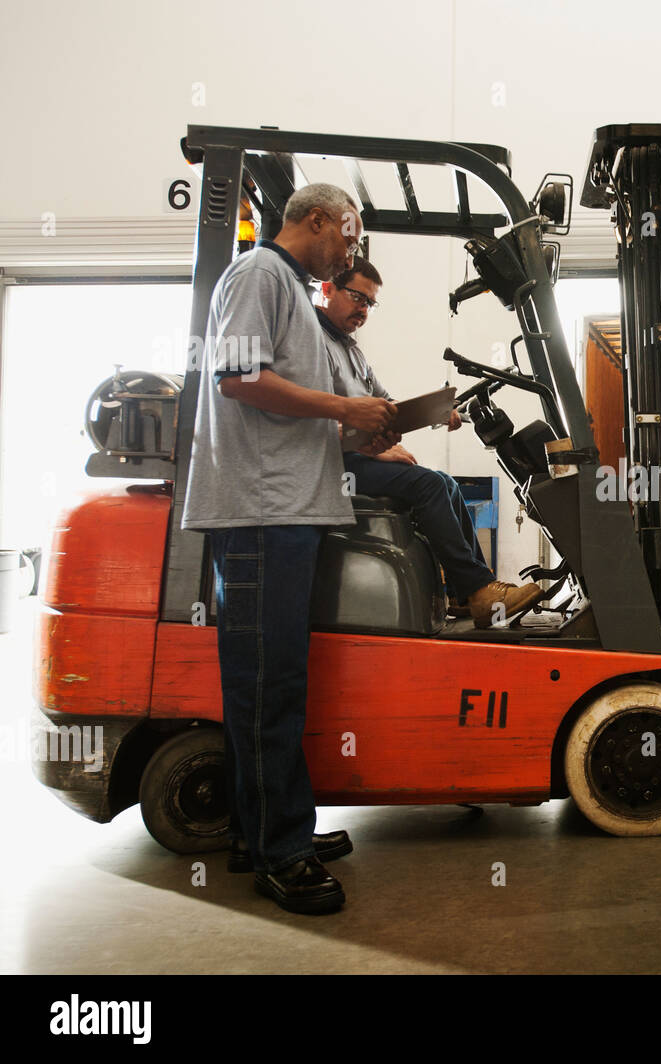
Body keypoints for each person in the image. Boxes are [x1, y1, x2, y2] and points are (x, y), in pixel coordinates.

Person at [182, 183, 396, 915]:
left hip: (287, 508)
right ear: (316, 219)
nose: (351, 250)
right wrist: (344, 408)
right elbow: (239, 380)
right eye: (350, 234)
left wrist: (354, 431)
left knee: (277, 683)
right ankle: (281, 853)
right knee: (269, 686)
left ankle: (264, 829)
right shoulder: (258, 275)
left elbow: (288, 412)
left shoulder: (294, 295)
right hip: (261, 513)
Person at [315, 258, 543, 629]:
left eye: (369, 303)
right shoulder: (312, 342)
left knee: (446, 485)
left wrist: (436, 409)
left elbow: (389, 406)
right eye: (357, 297)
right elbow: (320, 417)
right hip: (331, 463)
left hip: (355, 457)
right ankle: (480, 589)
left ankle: (465, 594)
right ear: (328, 289)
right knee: (429, 484)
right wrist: (373, 447)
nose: (363, 309)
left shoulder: (351, 351)